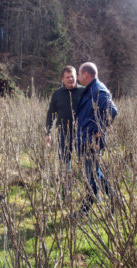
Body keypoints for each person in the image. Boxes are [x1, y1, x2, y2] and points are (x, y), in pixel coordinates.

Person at [75, 62, 118, 216]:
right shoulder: (90, 90)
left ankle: (86, 207)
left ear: (86, 74)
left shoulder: (98, 90)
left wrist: (100, 130)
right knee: (93, 173)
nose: (78, 77)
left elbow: (112, 111)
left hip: (92, 141)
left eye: (79, 74)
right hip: (85, 139)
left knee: (92, 173)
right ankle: (113, 198)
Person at [45, 65, 85, 199]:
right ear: (62, 79)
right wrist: (48, 132)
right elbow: (51, 113)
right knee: (65, 164)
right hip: (64, 132)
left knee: (87, 164)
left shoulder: (84, 91)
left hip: (82, 133)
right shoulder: (57, 94)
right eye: (67, 77)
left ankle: (92, 194)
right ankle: (66, 194)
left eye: (73, 76)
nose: (71, 79)